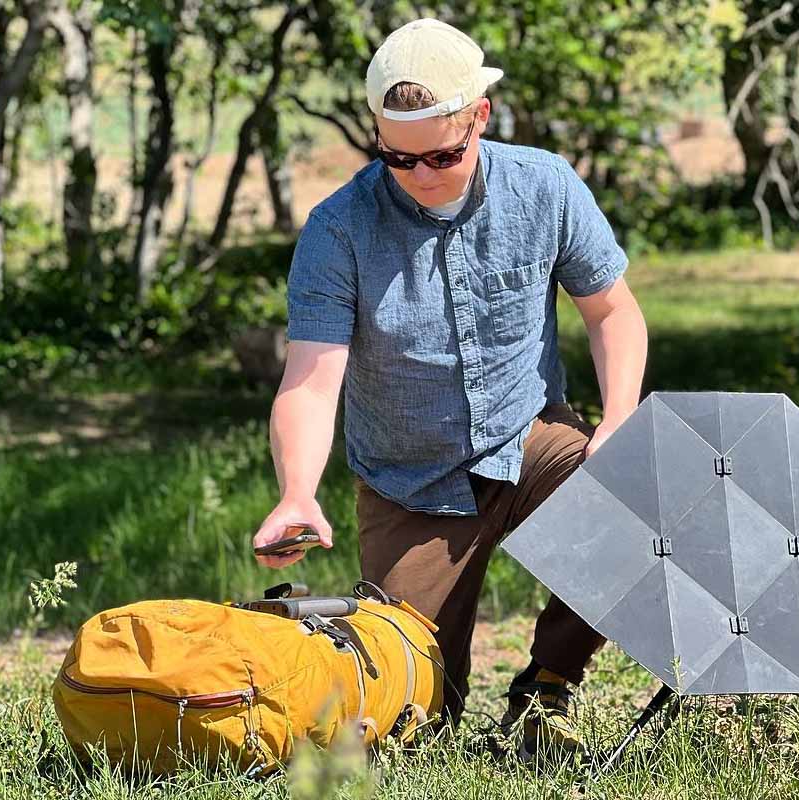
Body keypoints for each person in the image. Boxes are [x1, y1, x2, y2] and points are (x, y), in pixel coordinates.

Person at [251, 18, 648, 760]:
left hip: (526, 438)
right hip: (411, 478)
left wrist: (618, 417)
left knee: (638, 497)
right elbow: (309, 381)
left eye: (443, 153)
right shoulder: (338, 228)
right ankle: (436, 698)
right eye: (398, 158)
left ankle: (548, 691)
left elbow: (613, 312)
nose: (422, 175)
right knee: (414, 729)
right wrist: (297, 491)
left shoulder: (545, 185)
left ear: (480, 117)